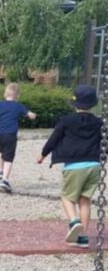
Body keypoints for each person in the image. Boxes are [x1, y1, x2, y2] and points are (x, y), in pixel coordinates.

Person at [36, 84, 104, 247]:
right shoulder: (99, 122)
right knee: (85, 200)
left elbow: (54, 139)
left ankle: (74, 221)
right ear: (93, 104)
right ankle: (82, 237)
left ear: (75, 103)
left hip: (74, 166)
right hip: (94, 165)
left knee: (67, 197)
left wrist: (43, 155)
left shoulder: (66, 121)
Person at [0, 82, 37, 191]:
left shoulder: (0, 104)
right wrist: (33, 115)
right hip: (10, 135)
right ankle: (5, 180)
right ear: (17, 96)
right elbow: (30, 115)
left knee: (1, 151)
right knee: (9, 157)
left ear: (5, 94)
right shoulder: (19, 106)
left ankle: (0, 171)